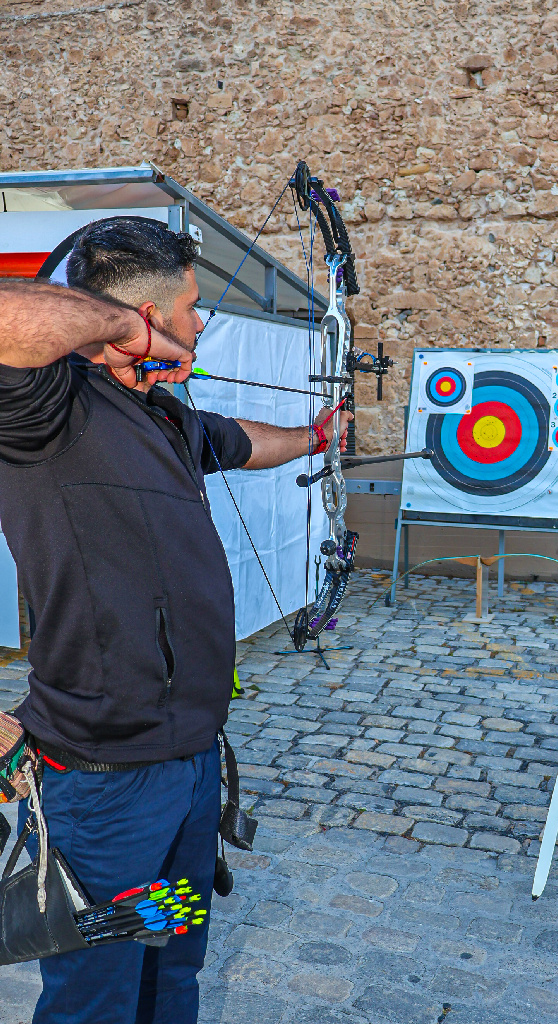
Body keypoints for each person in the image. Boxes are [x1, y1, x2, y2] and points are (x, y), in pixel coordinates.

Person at [0, 216, 350, 1024]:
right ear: (148, 315)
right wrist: (125, 327)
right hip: (103, 782)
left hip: (191, 769)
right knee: (97, 994)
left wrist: (315, 438)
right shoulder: (48, 411)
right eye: (190, 308)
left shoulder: (166, 416)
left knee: (172, 972)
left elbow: (239, 441)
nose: (201, 325)